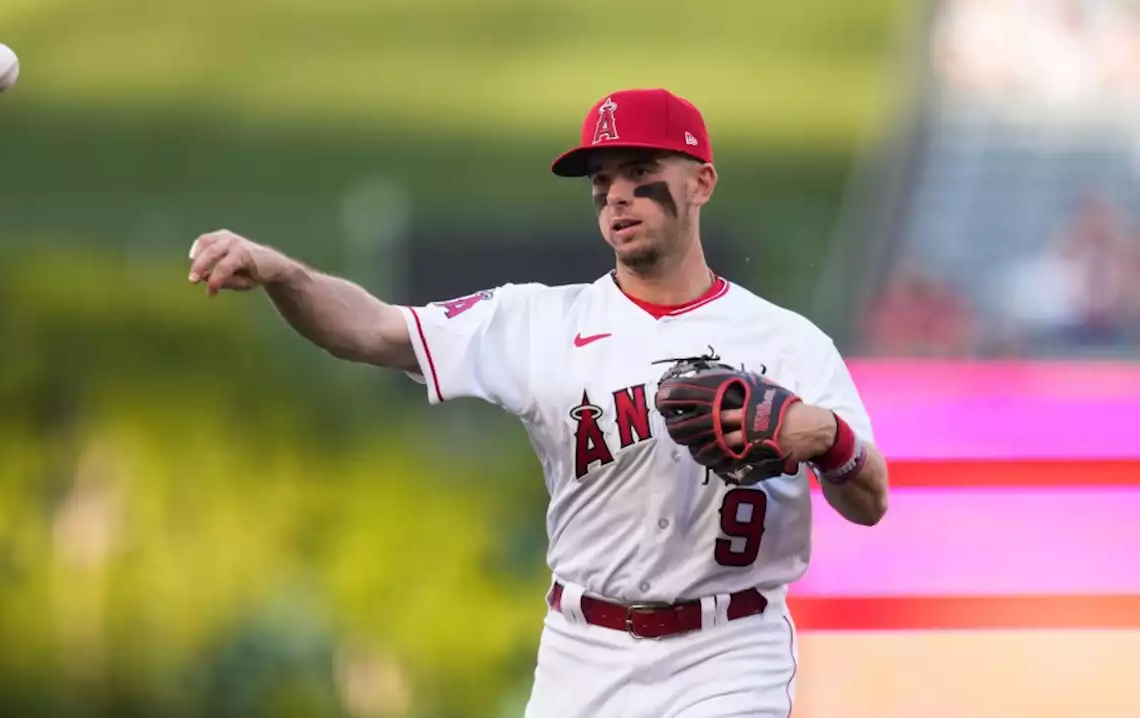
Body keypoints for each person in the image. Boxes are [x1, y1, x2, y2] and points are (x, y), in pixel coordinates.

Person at [187, 88, 889, 718]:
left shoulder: (788, 342)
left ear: (701, 182)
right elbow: (371, 329)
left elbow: (870, 498)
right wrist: (280, 272)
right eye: (602, 182)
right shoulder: (538, 322)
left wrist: (830, 440)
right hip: (583, 654)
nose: (616, 196)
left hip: (730, 653)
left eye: (641, 175)